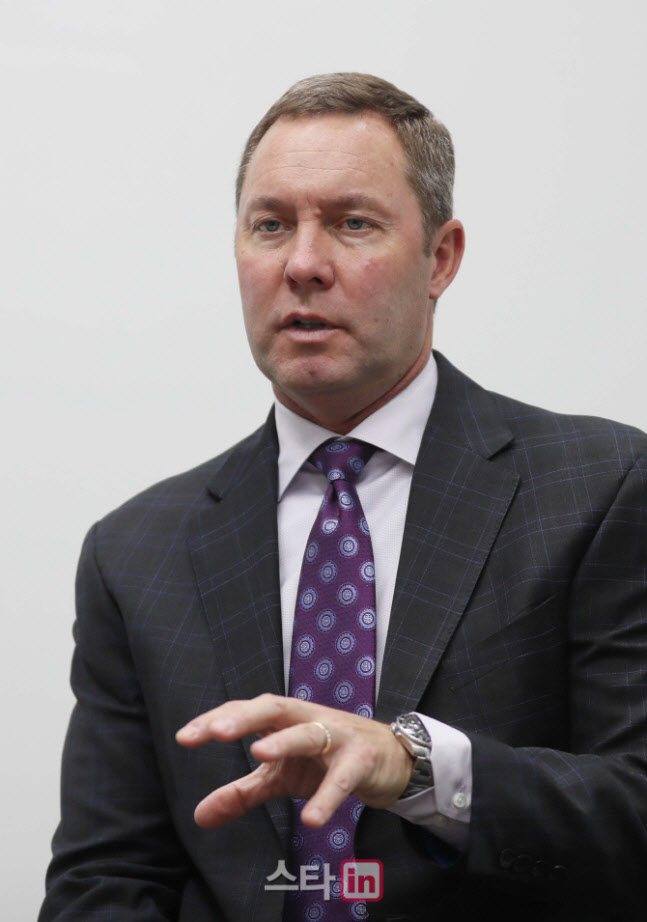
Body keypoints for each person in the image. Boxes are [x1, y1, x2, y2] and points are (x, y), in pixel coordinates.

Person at [39, 73, 647, 922]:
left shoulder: (602, 486)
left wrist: (417, 768)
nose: (302, 265)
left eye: (352, 223)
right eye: (270, 225)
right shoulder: (134, 551)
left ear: (440, 258)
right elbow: (105, 878)